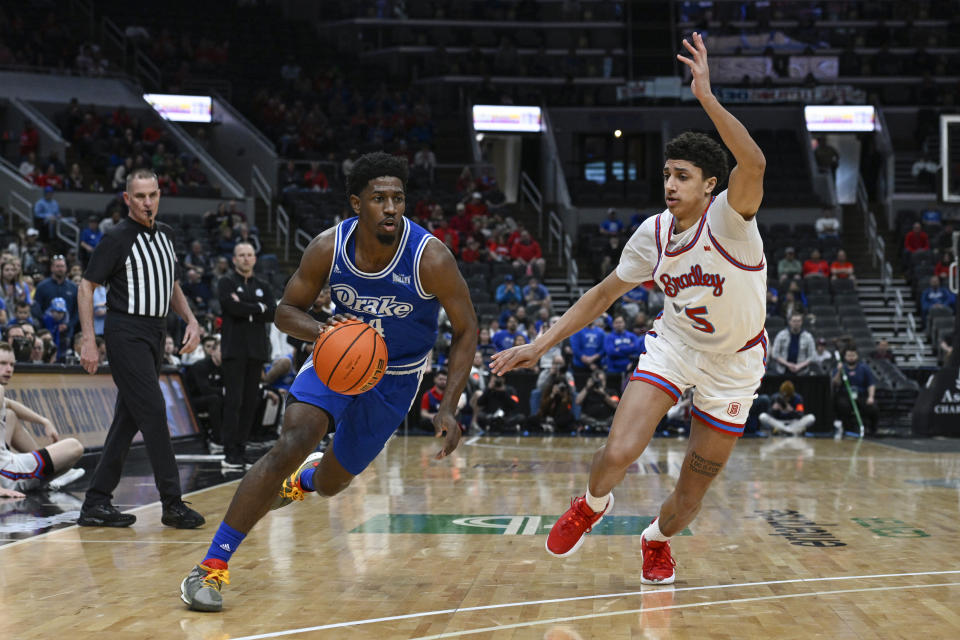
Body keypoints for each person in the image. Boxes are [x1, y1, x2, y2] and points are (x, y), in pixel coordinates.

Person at [492, 32, 767, 584]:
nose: (669, 184)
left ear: (710, 185)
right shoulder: (653, 234)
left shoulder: (731, 220)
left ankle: (657, 540)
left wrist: (706, 96)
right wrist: (540, 344)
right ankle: (592, 504)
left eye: (682, 176)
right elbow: (601, 296)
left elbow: (754, 161)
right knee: (618, 451)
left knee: (692, 492)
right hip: (677, 347)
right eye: (666, 173)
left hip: (736, 365)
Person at [179, 152, 477, 612]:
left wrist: (448, 405)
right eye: (380, 198)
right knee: (292, 439)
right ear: (357, 204)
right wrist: (328, 335)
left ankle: (306, 480)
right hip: (336, 359)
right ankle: (212, 567)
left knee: (335, 482)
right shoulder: (327, 247)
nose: (392, 207)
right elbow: (284, 312)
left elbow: (467, 329)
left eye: (399, 198)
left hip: (395, 378)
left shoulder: (430, 257)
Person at [76, 168, 204, 529]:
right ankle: (172, 503)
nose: (148, 202)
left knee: (127, 419)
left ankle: (96, 502)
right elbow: (86, 286)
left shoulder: (166, 234)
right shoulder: (116, 238)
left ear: (159, 195)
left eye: (153, 195)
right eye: (140, 196)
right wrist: (90, 339)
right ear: (127, 199)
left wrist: (191, 320)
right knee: (153, 412)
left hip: (155, 331)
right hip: (126, 332)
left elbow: (171, 283)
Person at [217, 242, 276, 470]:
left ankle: (241, 450)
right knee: (234, 402)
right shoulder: (226, 282)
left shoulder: (263, 284)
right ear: (234, 259)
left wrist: (249, 308)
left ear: (254, 258)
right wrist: (257, 309)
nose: (245, 259)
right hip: (234, 350)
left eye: (249, 255)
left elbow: (272, 312)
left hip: (257, 351)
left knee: (251, 402)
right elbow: (232, 308)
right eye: (241, 255)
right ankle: (229, 452)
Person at [0, 342, 86, 497]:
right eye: (3, 363)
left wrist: (44, 421)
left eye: (12, 364)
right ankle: (47, 481)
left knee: (10, 415)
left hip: (6, 464)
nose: (9, 369)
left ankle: (44, 477)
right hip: (8, 474)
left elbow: (11, 404)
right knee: (74, 447)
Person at [832, 347, 879, 435]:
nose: (851, 357)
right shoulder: (841, 367)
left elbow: (871, 384)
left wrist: (871, 397)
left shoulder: (864, 368)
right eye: (849, 355)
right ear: (845, 357)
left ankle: (873, 429)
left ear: (857, 356)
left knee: (873, 407)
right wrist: (839, 371)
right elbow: (836, 383)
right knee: (842, 406)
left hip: (861, 395)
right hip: (845, 395)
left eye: (853, 355)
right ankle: (849, 429)